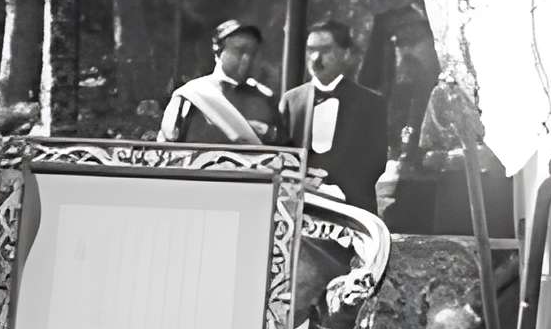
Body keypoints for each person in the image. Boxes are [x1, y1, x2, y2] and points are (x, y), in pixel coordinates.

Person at [285, 16, 395, 209]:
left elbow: (377, 161)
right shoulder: (291, 100)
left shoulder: (370, 103)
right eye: (311, 50)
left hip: (352, 207)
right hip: (301, 207)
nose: (315, 59)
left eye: (325, 50)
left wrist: (335, 188)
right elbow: (282, 156)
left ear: (346, 54)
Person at [160, 18, 280, 147]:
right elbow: (167, 148)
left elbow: (282, 149)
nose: (247, 58)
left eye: (253, 52)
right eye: (240, 51)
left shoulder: (265, 98)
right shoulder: (190, 95)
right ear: (218, 51)